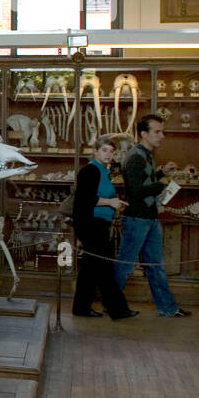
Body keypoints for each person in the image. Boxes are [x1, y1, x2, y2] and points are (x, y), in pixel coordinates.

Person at [115, 114, 192, 317]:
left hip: (149, 218)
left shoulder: (146, 154)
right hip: (137, 219)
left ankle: (167, 308)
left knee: (156, 266)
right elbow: (136, 191)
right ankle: (112, 303)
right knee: (125, 264)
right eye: (157, 132)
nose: (162, 136)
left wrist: (160, 173)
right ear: (144, 134)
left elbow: (143, 180)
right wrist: (162, 184)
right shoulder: (134, 157)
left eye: (162, 131)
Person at [72, 136, 137, 320]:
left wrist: (114, 203)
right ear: (96, 151)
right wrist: (111, 202)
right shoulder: (91, 170)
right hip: (91, 224)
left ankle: (81, 308)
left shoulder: (102, 171)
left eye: (111, 151)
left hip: (98, 223)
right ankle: (118, 310)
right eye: (104, 150)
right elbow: (85, 199)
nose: (108, 154)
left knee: (90, 268)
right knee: (104, 266)